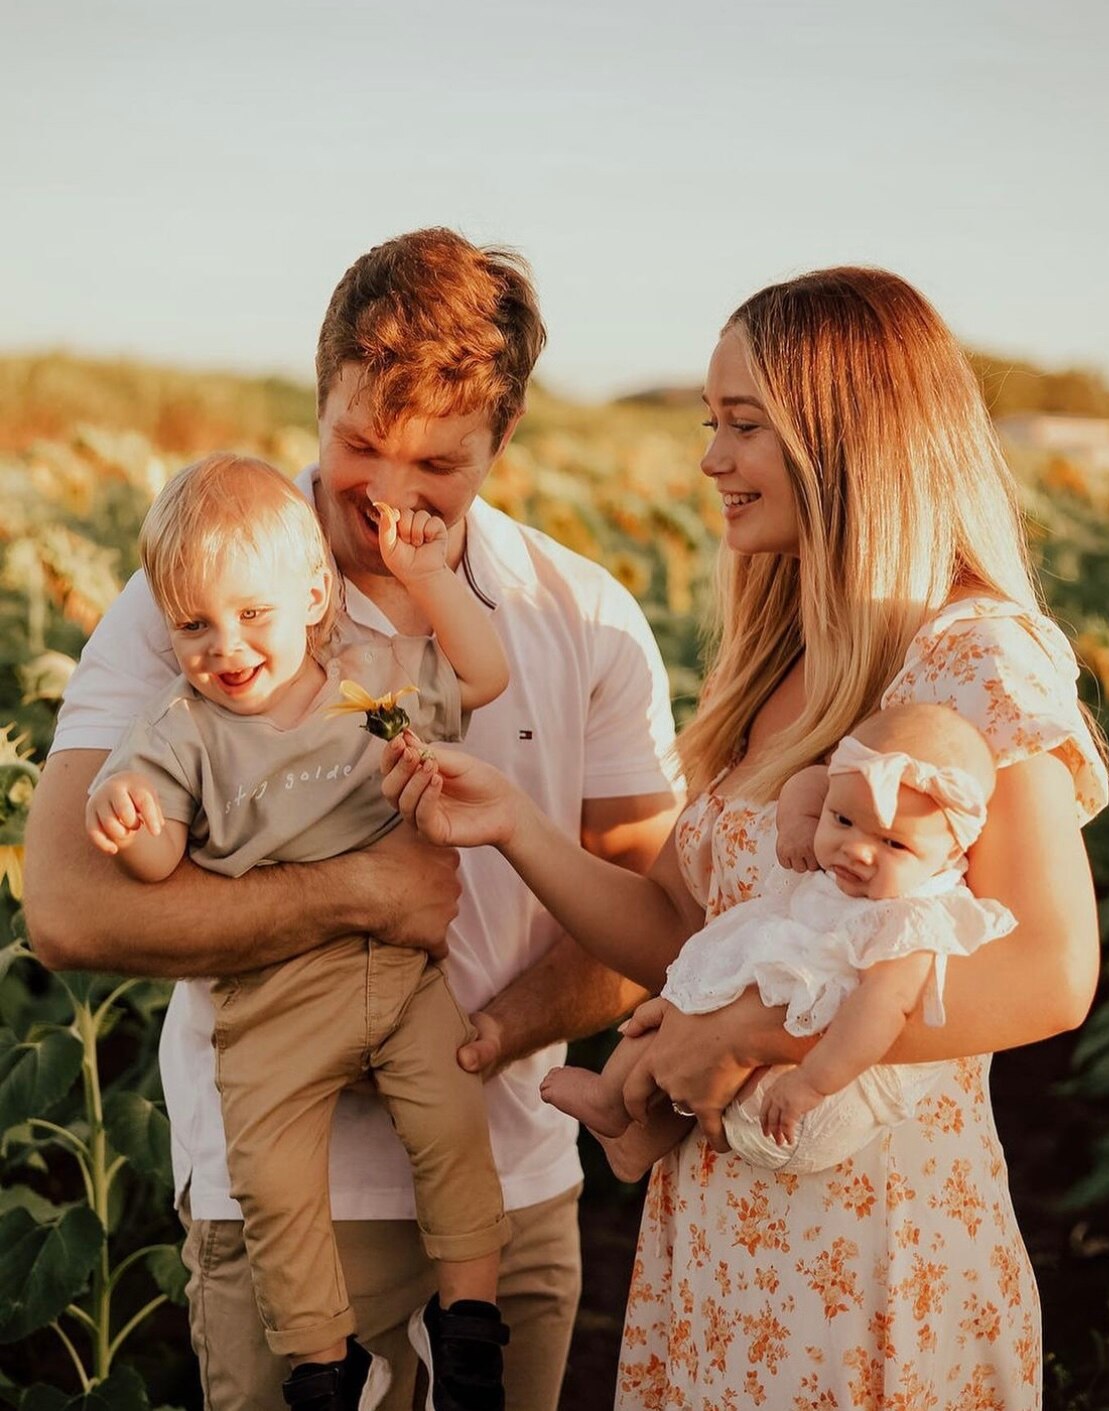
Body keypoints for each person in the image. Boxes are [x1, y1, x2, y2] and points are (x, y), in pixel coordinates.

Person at [380, 265, 1109, 1408]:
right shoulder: (774, 664)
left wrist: (747, 1032)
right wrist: (514, 827)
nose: (710, 459)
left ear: (849, 440)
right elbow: (677, 920)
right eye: (708, 423)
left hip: (871, 1246)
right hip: (722, 1239)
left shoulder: (976, 655)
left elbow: (1051, 973)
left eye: (745, 425)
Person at [22, 228, 681, 1411]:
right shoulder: (195, 606)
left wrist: (490, 1034)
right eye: (358, 444)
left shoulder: (584, 615)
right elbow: (65, 905)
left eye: (439, 464)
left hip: (506, 1176)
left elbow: (649, 897)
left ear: (505, 438)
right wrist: (360, 893)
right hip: (281, 1192)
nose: (386, 495)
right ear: (318, 392)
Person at [85, 453, 513, 1411]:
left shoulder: (371, 688)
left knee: (451, 1126)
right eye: (194, 624)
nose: (224, 645)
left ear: (315, 596)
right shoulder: (180, 732)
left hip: (401, 976)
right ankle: (323, 1363)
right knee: (274, 1186)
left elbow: (484, 675)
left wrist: (430, 579)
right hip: (270, 999)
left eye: (251, 614)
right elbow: (158, 861)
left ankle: (472, 1325)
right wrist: (129, 824)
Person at [539, 703, 1017, 1183]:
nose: (857, 849)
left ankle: (624, 1110)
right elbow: (810, 783)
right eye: (844, 821)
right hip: (765, 1036)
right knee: (682, 997)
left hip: (805, 1108)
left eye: (894, 844)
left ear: (953, 851)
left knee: (695, 1006)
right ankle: (615, 1108)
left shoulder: (911, 921)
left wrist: (811, 1082)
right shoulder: (849, 828)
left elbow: (880, 1014)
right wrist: (798, 824)